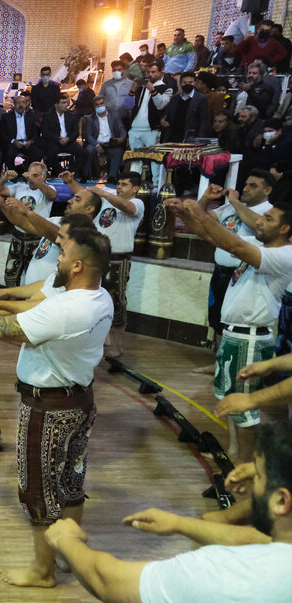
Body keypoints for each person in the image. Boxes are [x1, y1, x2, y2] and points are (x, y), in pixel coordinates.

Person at [0, 228, 114, 589]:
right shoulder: (101, 297)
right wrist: (0, 301)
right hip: (80, 401)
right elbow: (36, 312)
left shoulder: (65, 309)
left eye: (63, 253)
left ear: (76, 266)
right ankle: (68, 555)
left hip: (49, 410)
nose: (56, 258)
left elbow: (4, 331)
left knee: (38, 492)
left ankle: (43, 572)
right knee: (71, 481)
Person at [46, 421, 292, 602]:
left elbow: (109, 582)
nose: (249, 484)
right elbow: (258, 540)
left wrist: (66, 540)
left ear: (281, 500)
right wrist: (179, 524)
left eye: (257, 477)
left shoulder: (221, 571)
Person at [168, 197, 292, 463]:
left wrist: (198, 212)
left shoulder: (285, 255)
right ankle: (235, 452)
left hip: (250, 339)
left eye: (268, 218)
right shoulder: (262, 245)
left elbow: (232, 243)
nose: (259, 220)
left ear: (285, 229)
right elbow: (214, 236)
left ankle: (244, 466)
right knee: (232, 400)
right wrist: (187, 215)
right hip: (236, 335)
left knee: (245, 411)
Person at [194, 177, 275, 375]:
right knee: (218, 318)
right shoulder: (229, 208)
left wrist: (236, 202)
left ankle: (238, 366)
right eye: (245, 184)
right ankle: (220, 363)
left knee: (236, 321)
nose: (246, 188)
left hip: (245, 275)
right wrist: (205, 198)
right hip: (221, 271)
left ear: (268, 189)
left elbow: (256, 226)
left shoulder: (270, 213)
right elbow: (200, 217)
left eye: (253, 186)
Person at [62, 171, 144, 358]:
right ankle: (103, 338)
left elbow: (129, 208)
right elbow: (83, 194)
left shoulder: (137, 203)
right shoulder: (109, 195)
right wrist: (70, 181)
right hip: (97, 254)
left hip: (118, 258)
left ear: (135, 188)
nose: (120, 187)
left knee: (117, 301)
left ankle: (118, 345)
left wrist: (106, 194)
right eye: (119, 183)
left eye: (125, 184)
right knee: (93, 295)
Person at [0, 162, 57, 287]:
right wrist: (4, 178)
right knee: (10, 275)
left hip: (37, 237)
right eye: (29, 174)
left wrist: (34, 180)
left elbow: (53, 196)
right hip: (17, 236)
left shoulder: (48, 190)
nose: (30, 178)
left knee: (33, 278)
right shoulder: (19, 187)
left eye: (36, 175)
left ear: (44, 177)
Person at [128, 62, 172, 151]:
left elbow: (161, 105)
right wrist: (132, 91)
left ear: (160, 73)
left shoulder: (167, 88)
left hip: (152, 130)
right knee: (135, 161)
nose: (150, 74)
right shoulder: (140, 88)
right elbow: (128, 106)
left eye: (153, 72)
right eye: (148, 72)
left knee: (154, 161)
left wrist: (152, 90)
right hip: (135, 128)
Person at [81, 96, 127, 181]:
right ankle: (85, 176)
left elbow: (121, 129)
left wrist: (122, 138)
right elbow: (89, 136)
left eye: (101, 104)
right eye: (97, 105)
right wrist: (97, 145)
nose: (99, 106)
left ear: (105, 104)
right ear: (94, 106)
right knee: (88, 150)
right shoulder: (90, 118)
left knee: (118, 151)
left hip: (110, 143)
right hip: (96, 143)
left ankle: (112, 177)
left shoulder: (114, 115)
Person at [40, 94, 83, 178]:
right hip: (54, 142)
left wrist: (68, 138)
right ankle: (61, 172)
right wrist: (57, 139)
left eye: (67, 102)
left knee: (82, 152)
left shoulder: (71, 115)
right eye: (63, 103)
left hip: (68, 142)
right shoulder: (48, 115)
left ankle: (71, 173)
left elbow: (76, 132)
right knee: (49, 153)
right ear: (56, 104)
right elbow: (45, 132)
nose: (66, 105)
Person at [0, 93, 42, 175]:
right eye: (18, 103)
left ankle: (26, 172)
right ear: (14, 105)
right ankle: (13, 174)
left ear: (26, 104)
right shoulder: (6, 117)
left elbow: (35, 133)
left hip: (27, 143)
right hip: (13, 143)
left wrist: (30, 141)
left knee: (38, 153)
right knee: (9, 153)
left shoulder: (31, 117)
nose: (21, 105)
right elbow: (2, 134)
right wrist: (13, 141)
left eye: (23, 102)